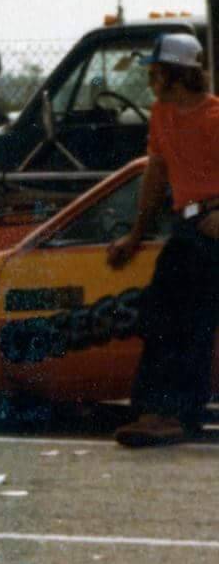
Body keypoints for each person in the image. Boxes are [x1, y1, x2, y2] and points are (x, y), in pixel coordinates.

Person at [107, 33, 219, 447]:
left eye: (156, 73)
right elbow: (156, 174)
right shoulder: (161, 114)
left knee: (190, 321)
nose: (151, 82)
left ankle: (174, 415)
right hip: (186, 227)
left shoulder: (215, 117)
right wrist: (135, 235)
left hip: (211, 229)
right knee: (159, 315)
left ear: (179, 73)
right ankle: (157, 411)